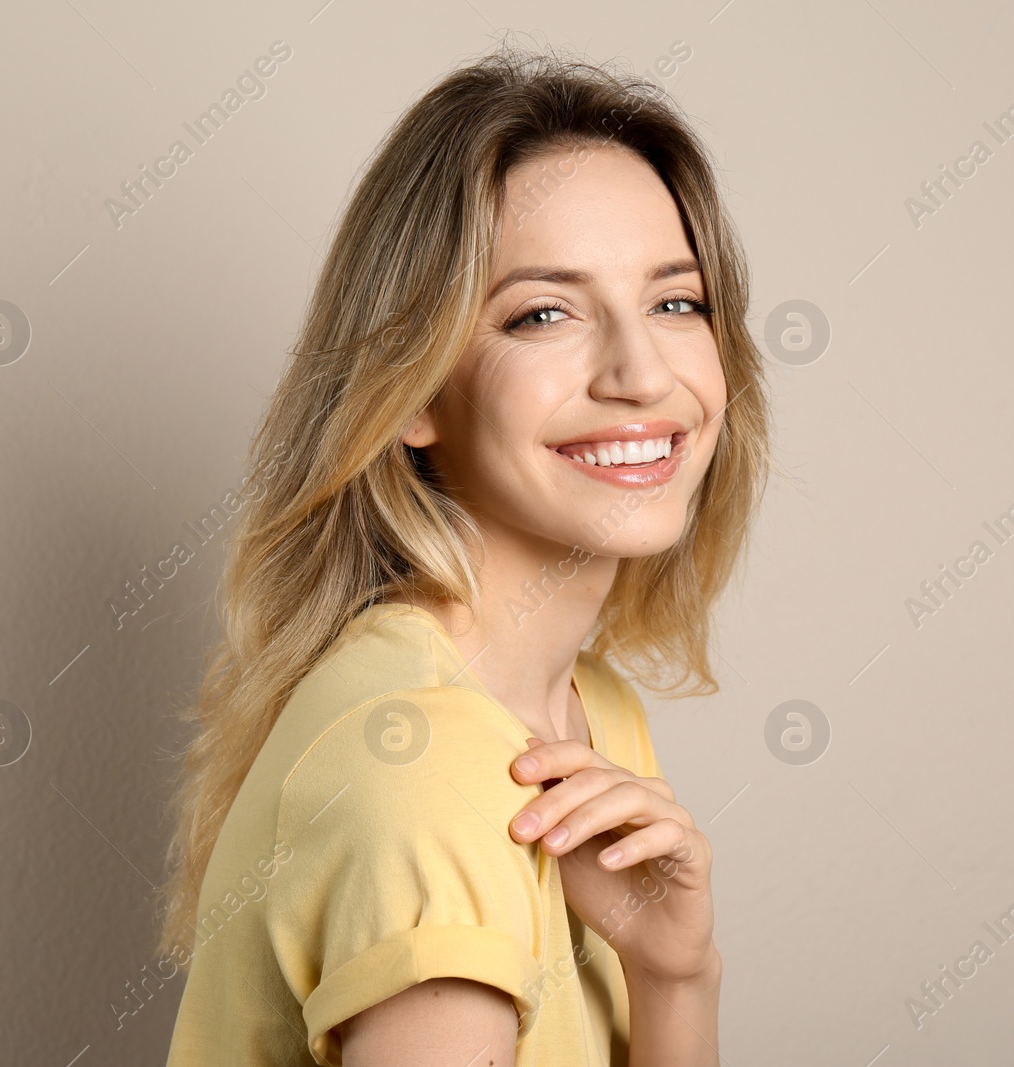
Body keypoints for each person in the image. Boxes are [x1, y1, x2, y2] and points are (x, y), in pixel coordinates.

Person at [156, 42, 771, 1066]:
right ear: (411, 393)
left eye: (676, 300)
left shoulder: (590, 708)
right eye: (543, 312)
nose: (640, 370)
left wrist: (675, 976)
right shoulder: (425, 761)